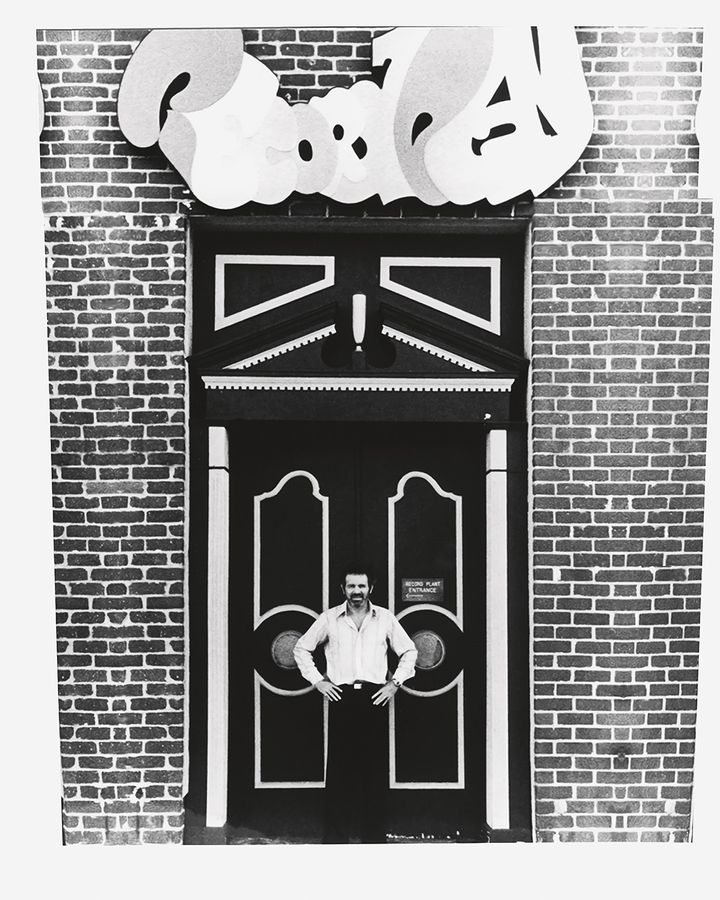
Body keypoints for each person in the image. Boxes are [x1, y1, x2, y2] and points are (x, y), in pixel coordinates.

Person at [293, 563, 418, 843]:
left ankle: (374, 838)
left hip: (375, 699)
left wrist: (394, 684)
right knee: (339, 771)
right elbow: (301, 648)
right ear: (343, 589)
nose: (357, 591)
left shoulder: (384, 618)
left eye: (362, 586)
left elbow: (409, 650)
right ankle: (336, 839)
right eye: (351, 586)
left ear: (370, 588)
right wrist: (318, 681)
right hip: (343, 698)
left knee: (374, 771)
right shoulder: (329, 619)